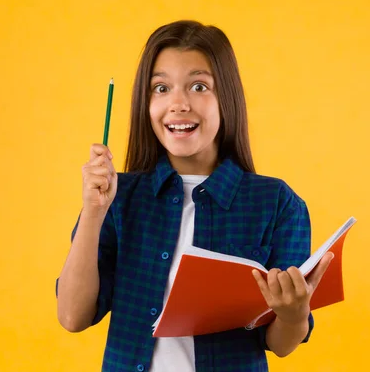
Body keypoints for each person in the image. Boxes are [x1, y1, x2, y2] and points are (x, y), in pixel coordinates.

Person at [55, 19, 334, 372]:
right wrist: (93, 212)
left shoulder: (277, 203)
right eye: (160, 88)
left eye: (199, 86)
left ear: (226, 98)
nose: (178, 104)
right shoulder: (118, 198)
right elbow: (72, 316)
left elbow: (280, 345)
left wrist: (294, 315)